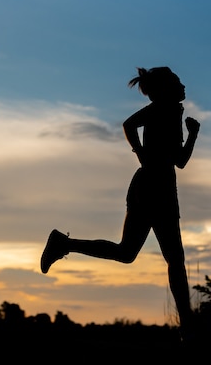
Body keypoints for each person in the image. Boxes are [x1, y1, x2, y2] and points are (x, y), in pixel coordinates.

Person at [40, 66, 200, 339]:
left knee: (128, 253)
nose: (183, 86)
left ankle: (64, 243)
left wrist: (193, 134)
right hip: (152, 188)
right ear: (164, 89)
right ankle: (188, 326)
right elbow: (128, 124)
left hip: (159, 187)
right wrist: (141, 155)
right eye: (177, 82)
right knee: (174, 259)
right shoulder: (162, 107)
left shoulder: (173, 112)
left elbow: (180, 162)